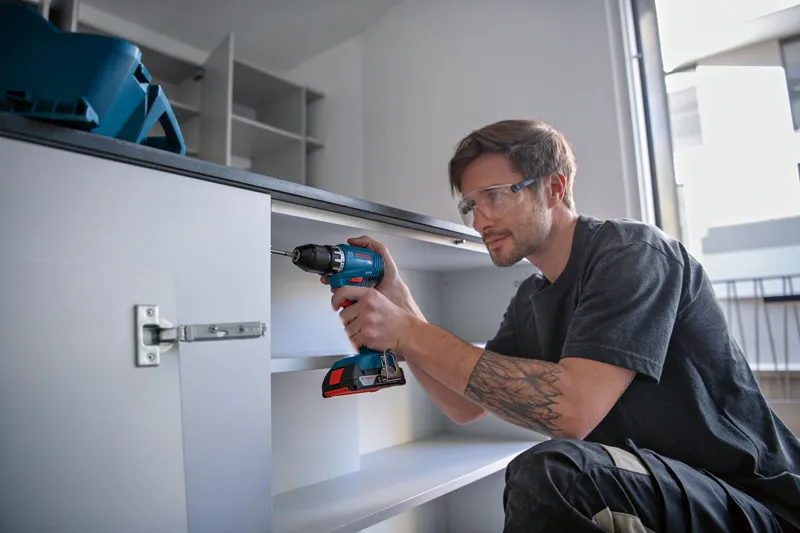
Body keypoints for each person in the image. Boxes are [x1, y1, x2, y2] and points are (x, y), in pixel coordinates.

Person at [325, 119, 800, 532]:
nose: (479, 220)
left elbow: (572, 411)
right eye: (470, 205)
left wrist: (409, 333)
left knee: (555, 475)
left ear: (553, 188)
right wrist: (401, 308)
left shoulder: (633, 253)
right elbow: (463, 404)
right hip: (661, 488)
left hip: (752, 502)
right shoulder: (531, 299)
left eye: (494, 196)